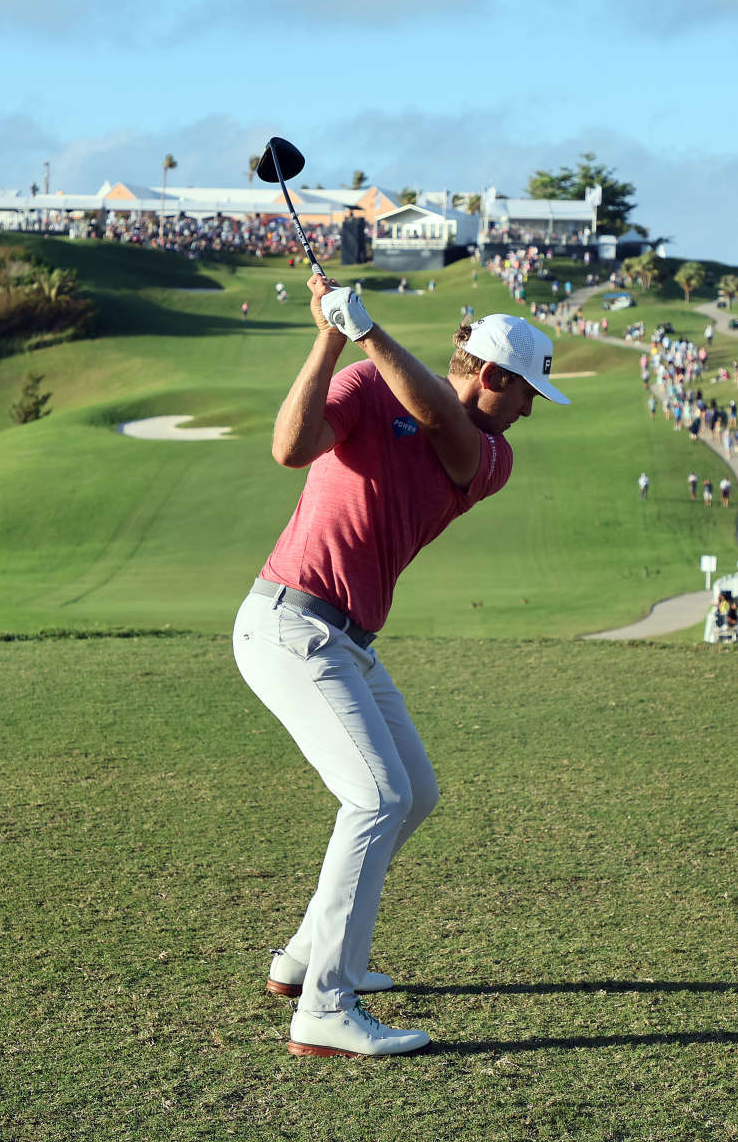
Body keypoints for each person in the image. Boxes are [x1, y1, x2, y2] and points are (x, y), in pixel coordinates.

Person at [236, 271, 569, 1059]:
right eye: (525, 392)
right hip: (287, 622)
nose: (528, 411)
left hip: (347, 639)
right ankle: (323, 1005)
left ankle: (309, 957)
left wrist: (370, 330)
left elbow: (440, 422)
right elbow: (289, 447)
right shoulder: (362, 382)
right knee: (378, 797)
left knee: (412, 793)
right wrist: (331, 333)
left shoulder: (487, 454)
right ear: (492, 374)